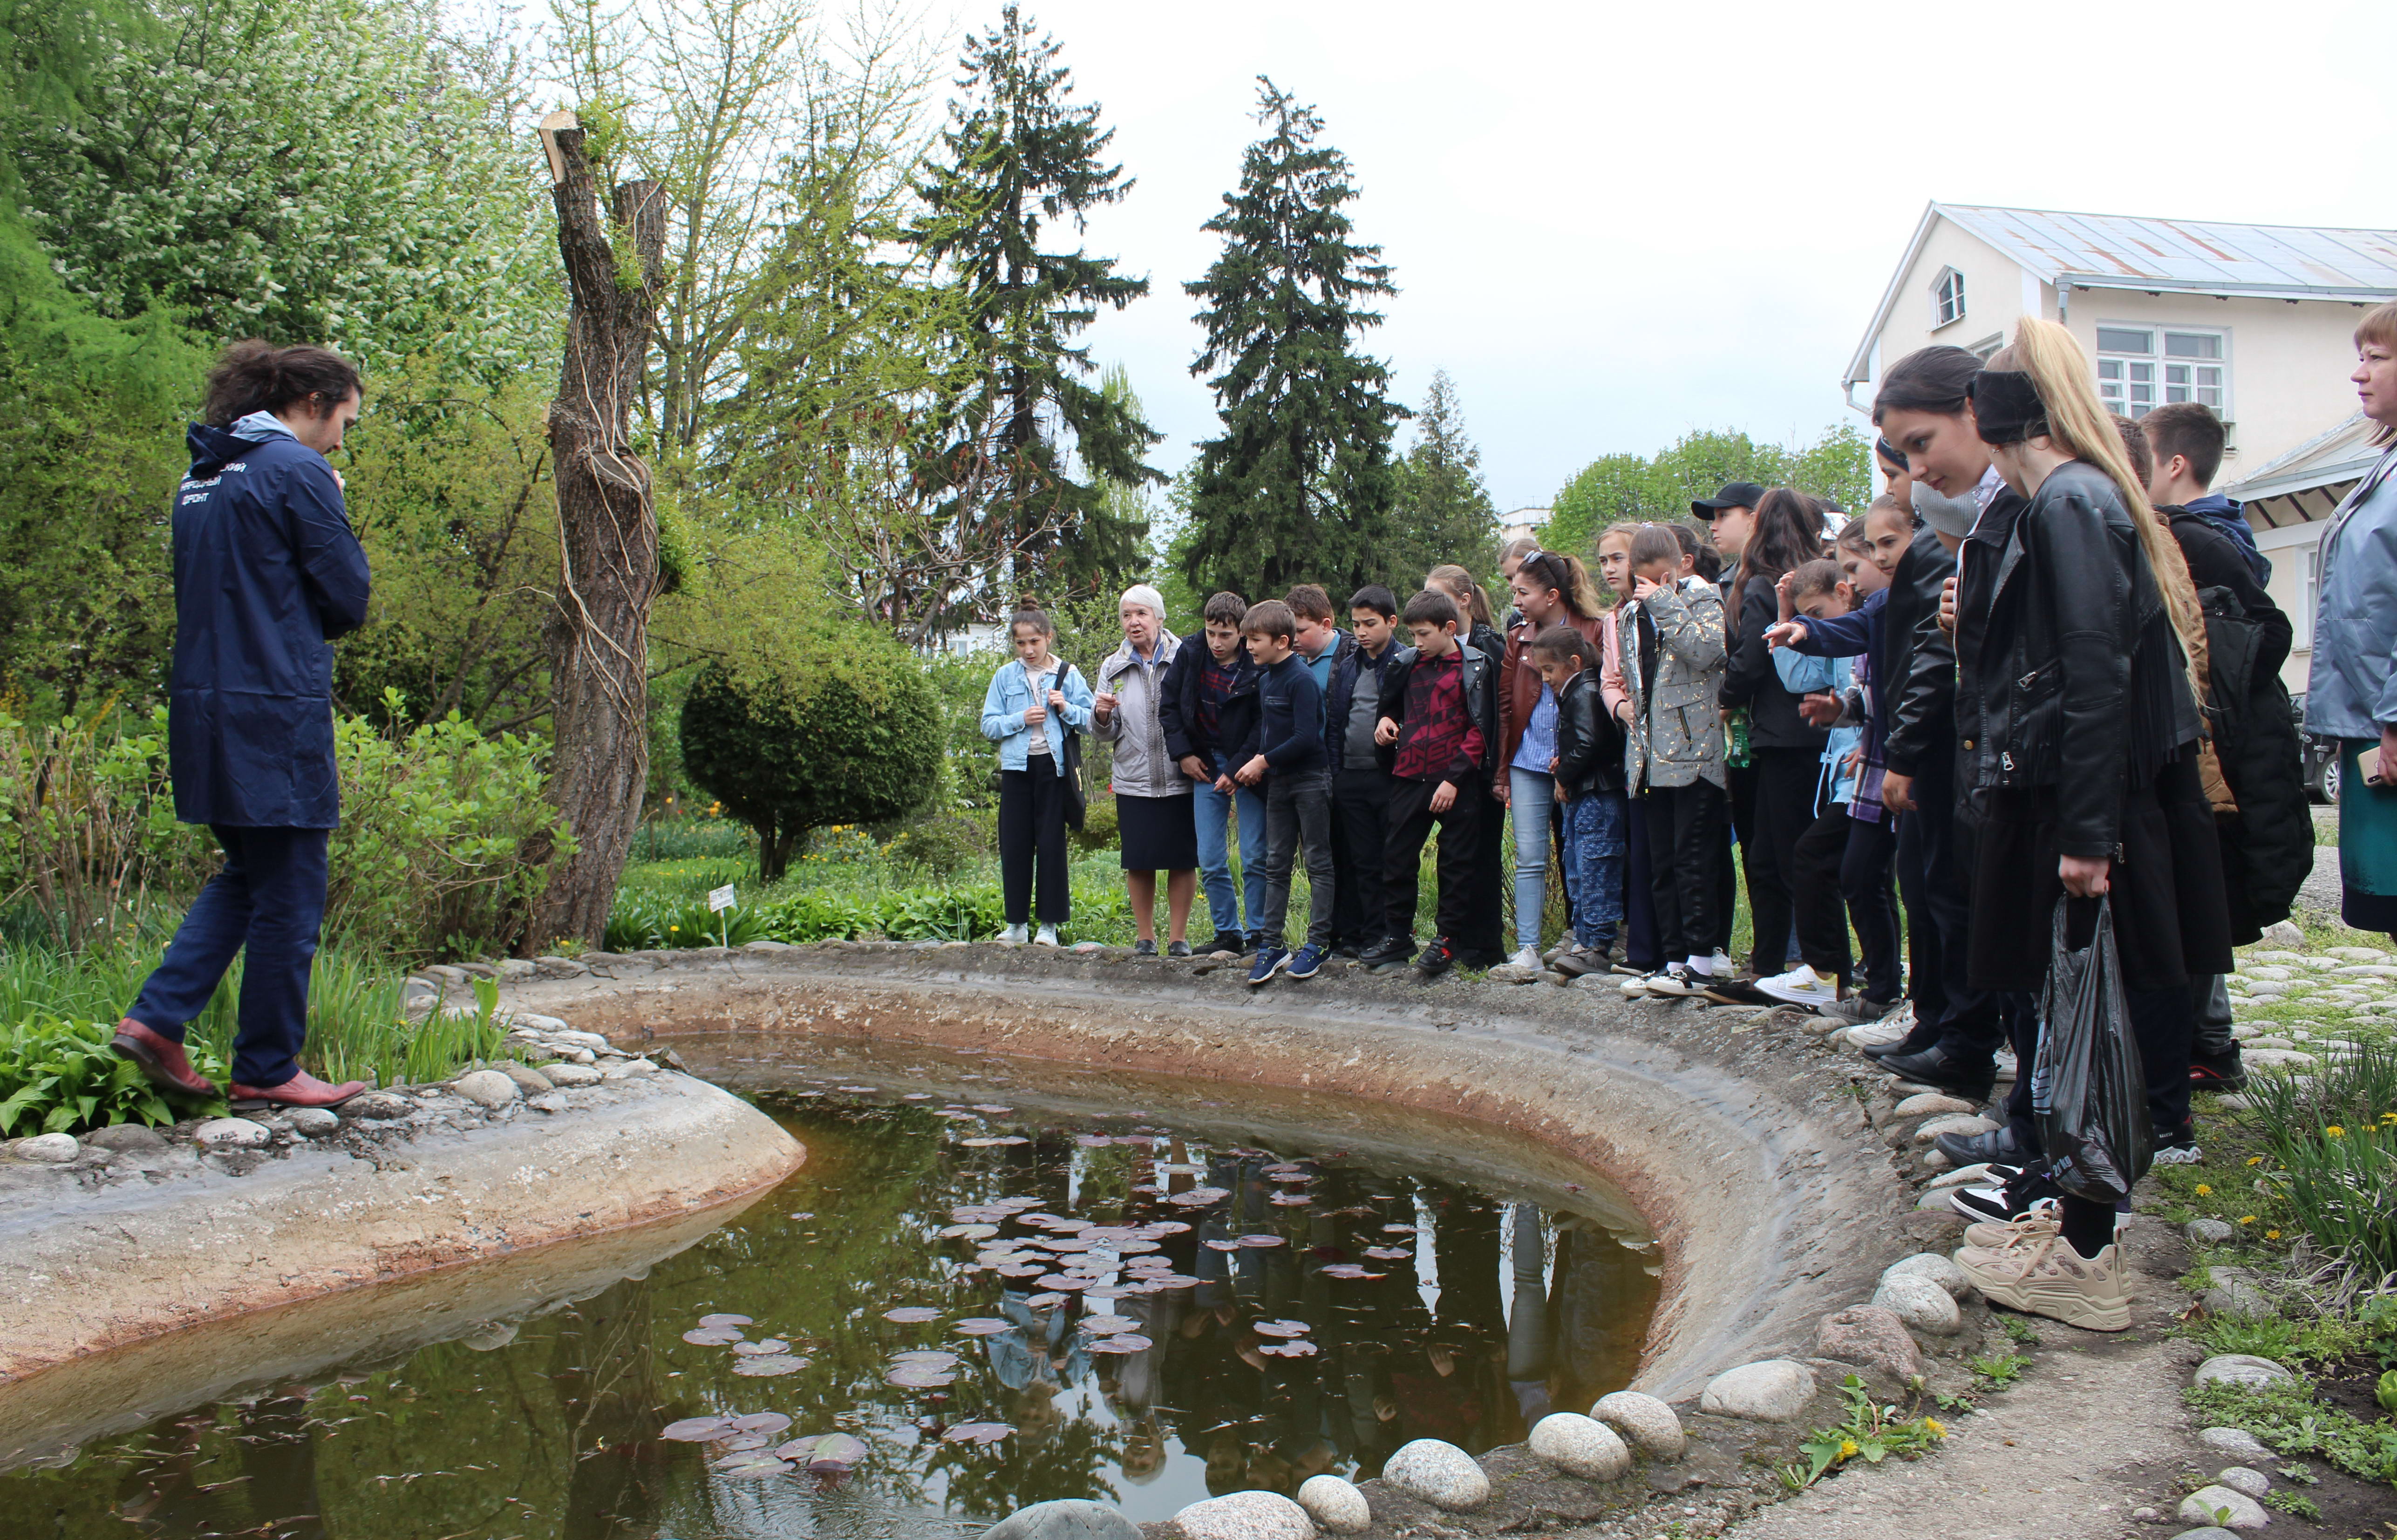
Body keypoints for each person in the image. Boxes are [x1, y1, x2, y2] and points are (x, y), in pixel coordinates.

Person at [1945, 319, 2228, 1330]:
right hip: (2080, 801)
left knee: (2089, 1021)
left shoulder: (2069, 501)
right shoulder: (2065, 499)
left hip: (2089, 809)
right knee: (2072, 1019)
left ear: (1996, 413)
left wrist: (2084, 835)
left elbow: (2093, 669)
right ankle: (2070, 1224)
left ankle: (2086, 1263)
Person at [114, 341, 374, 1111]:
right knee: (291, 889)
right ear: (316, 404)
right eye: (345, 422)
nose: (341, 439)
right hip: (272, 712)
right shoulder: (296, 471)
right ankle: (266, 1065)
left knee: (249, 874)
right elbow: (346, 599)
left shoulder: (200, 478)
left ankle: (157, 1020)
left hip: (205, 708)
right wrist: (331, 497)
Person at [1868, 346, 2021, 1106]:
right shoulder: (1959, 528)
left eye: (1917, 449)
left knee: (1956, 898)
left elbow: (1937, 655)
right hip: (1961, 744)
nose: (1913, 475)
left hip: (1967, 752)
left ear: (1974, 413)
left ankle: (1964, 1039)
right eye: (1902, 460)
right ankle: (1949, 1030)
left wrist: (1903, 748)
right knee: (1938, 892)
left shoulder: (2000, 518)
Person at [2144, 403, 2312, 1091]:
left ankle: (2207, 1041)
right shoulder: (2221, 533)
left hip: (2216, 745)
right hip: (2221, 741)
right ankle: (2206, 1036)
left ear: (2172, 465)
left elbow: (2256, 642)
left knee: (2198, 883)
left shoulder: (2195, 542)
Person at [1766, 502, 1912, 1024]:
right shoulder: (1874, 613)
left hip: (1892, 767)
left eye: (1875, 554)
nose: (1858, 575)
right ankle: (1868, 984)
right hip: (1869, 766)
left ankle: (1857, 981)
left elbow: (1917, 687)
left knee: (1864, 873)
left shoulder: (1897, 605)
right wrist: (1846, 709)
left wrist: (1882, 738)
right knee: (1856, 873)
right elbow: (1863, 688)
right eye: (1859, 558)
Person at [1714, 489, 1833, 999]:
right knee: (1783, 853)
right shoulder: (1816, 580)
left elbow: (1751, 657)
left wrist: (1724, 698)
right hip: (1814, 731)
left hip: (1783, 736)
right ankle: (1781, 964)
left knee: (1778, 857)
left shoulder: (1764, 586)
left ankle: (1800, 966)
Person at [2305, 299, 2397, 941]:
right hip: (2370, 729)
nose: (2358, 373)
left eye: (2376, 358)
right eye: (2358, 358)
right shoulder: (2383, 467)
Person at [1613, 524, 1730, 999]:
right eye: (1638, 581)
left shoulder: (1703, 601)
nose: (1645, 590)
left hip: (1695, 755)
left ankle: (1703, 962)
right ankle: (1674, 959)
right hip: (1649, 757)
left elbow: (1707, 652)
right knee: (1660, 862)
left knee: (1693, 861)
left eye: (1654, 581)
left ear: (1678, 568)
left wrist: (1665, 602)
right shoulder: (1629, 615)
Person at [1362, 588, 1498, 977]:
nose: (1417, 643)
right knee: (1396, 859)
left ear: (1449, 628)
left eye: (1424, 634)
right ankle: (1398, 936)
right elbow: (1389, 708)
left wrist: (1455, 780)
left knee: (1455, 864)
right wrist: (1385, 723)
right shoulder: (1405, 664)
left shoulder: (1477, 666)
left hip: (1455, 780)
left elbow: (1480, 729)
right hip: (1408, 775)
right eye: (1414, 635)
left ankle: (1448, 941)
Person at [1752, 559, 1863, 1007]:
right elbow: (1798, 676)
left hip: (1867, 770)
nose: (1811, 625)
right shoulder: (1833, 639)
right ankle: (1837, 977)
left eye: (1816, 614)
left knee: (1828, 860)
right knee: (1839, 868)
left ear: (1844, 592)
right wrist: (1785, 615)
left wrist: (1877, 742)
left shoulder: (1868, 630)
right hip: (1843, 774)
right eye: (1806, 618)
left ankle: (1834, 975)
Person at [1497, 550, 1611, 971]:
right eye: (1515, 592)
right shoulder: (1517, 638)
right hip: (1528, 760)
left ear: (1552, 595)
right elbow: (1507, 706)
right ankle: (1528, 947)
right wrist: (1502, 771)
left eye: (1523, 592)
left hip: (1576, 762)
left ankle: (1584, 940)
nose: (1517, 601)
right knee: (1530, 855)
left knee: (1579, 852)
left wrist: (1573, 760)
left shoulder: (1594, 631)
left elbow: (1595, 698)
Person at [1093, 585, 1199, 957]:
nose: (1133, 622)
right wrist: (1103, 714)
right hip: (1134, 777)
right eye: (1126, 615)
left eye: (1141, 614)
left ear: (1159, 617)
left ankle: (1179, 938)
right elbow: (1104, 732)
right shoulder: (1113, 665)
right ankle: (1145, 937)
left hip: (1180, 775)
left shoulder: (1186, 656)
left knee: (1182, 858)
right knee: (1139, 859)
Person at [1161, 591, 1266, 957]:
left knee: (1254, 854)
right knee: (1210, 855)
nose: (1217, 643)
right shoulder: (1190, 654)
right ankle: (1228, 933)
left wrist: (1238, 769)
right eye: (1211, 633)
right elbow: (1170, 707)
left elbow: (1263, 721)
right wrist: (1184, 754)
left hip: (1250, 765)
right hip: (1203, 761)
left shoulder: (1257, 662)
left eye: (1226, 635)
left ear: (1241, 633)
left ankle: (1259, 933)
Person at [981, 607, 1094, 947]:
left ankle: (1049, 927)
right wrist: (1020, 719)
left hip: (1053, 769)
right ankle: (1016, 925)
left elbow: (1091, 722)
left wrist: (1066, 708)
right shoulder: (1005, 676)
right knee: (1014, 846)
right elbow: (988, 724)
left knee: (1051, 846)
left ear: (1048, 637)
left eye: (1034, 641)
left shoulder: (1068, 674)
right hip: (1017, 770)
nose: (1028, 650)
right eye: (1020, 643)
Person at [1237, 600, 1335, 983]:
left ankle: (1319, 943)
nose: (1248, 647)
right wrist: (1262, 764)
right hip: (1280, 784)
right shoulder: (1265, 680)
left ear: (1281, 641)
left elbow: (1307, 738)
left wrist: (1263, 761)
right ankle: (1272, 945)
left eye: (1254, 640)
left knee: (1318, 863)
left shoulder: (1301, 679)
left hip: (1311, 780)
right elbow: (1269, 734)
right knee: (1275, 864)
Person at [1425, 565, 1509, 967]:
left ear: (1464, 600)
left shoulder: (1490, 647)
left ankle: (1485, 946)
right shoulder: (1431, 651)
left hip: (1483, 771)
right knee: (1453, 856)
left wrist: (1497, 771)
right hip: (1444, 771)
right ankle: (1453, 940)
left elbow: (1496, 714)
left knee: (1483, 856)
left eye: (1438, 596)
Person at [1537, 625, 1627, 974]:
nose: (1545, 679)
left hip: (1598, 794)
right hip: (1584, 793)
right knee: (1577, 867)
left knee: (1595, 867)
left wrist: (1564, 774)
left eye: (1549, 669)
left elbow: (1590, 743)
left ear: (1573, 663)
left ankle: (1598, 944)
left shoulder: (1585, 691)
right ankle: (1584, 938)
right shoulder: (1576, 691)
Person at [1593, 524, 1661, 976]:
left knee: (1668, 849)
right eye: (1603, 561)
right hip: (1634, 742)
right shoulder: (1611, 619)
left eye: (1617, 558)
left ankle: (1685, 953)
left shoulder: (1657, 606)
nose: (1610, 568)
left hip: (1672, 741)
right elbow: (1608, 678)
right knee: (1640, 848)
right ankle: (1643, 952)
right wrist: (1619, 706)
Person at [1326, 586, 1407, 959]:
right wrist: (1336, 772)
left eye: (1370, 624)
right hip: (1350, 776)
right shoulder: (1347, 665)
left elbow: (1413, 715)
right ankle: (1360, 934)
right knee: (1360, 860)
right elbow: (1337, 720)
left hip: (1388, 776)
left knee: (1390, 859)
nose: (1361, 632)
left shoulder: (1406, 662)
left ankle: (1389, 936)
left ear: (1391, 622)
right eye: (1356, 624)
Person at [2144, 401, 2270, 584]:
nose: (2133, 469)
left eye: (2143, 458)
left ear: (2175, 466)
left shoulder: (2186, 540)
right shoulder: (2231, 531)